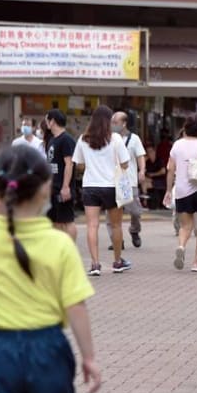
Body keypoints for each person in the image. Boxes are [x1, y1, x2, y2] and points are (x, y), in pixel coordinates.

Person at [0, 144, 101, 393]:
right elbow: (75, 305)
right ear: (45, 189)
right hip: (48, 348)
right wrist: (89, 357)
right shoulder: (59, 243)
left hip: (1, 350)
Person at [72, 105, 132, 276]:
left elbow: (79, 165)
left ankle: (95, 264)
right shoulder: (116, 139)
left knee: (92, 225)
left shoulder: (83, 139)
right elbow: (125, 163)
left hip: (90, 186)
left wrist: (92, 165)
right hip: (111, 187)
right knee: (116, 225)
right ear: (108, 121)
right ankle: (117, 261)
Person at [164, 113, 197, 273]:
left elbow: (170, 169)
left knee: (185, 226)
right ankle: (196, 263)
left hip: (182, 190)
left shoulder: (177, 145)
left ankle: (181, 245)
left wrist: (168, 190)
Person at [105, 112, 146, 250]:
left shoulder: (134, 139)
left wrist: (142, 171)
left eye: (115, 122)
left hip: (129, 181)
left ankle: (134, 231)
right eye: (112, 122)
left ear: (124, 123)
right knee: (111, 214)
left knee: (135, 212)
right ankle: (117, 240)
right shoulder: (107, 138)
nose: (113, 125)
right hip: (111, 181)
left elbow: (140, 156)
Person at [45, 109, 78, 241]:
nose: (46, 122)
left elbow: (69, 164)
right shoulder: (52, 140)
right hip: (52, 188)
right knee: (55, 221)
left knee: (67, 220)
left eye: (47, 119)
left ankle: (71, 249)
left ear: (52, 121)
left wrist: (65, 187)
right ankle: (59, 247)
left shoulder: (67, 140)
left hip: (63, 188)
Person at [144, 145, 167, 210]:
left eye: (151, 151)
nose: (149, 153)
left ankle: (145, 202)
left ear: (154, 152)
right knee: (143, 181)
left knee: (145, 184)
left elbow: (163, 171)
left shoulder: (159, 160)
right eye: (148, 152)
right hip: (151, 180)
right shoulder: (147, 162)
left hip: (160, 180)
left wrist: (153, 175)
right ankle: (145, 199)